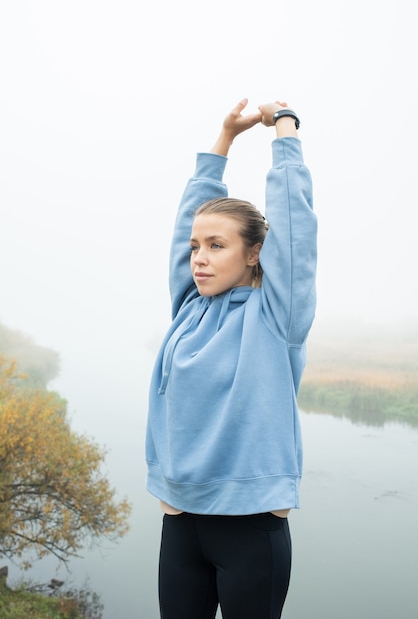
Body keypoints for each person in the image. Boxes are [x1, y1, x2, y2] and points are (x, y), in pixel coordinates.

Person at [145, 97, 317, 619]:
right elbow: (187, 224)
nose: (199, 257)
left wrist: (284, 134)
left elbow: (295, 232)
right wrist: (225, 137)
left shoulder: (275, 317)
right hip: (181, 521)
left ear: (254, 252)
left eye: (216, 246)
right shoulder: (189, 308)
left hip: (249, 527)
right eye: (197, 247)